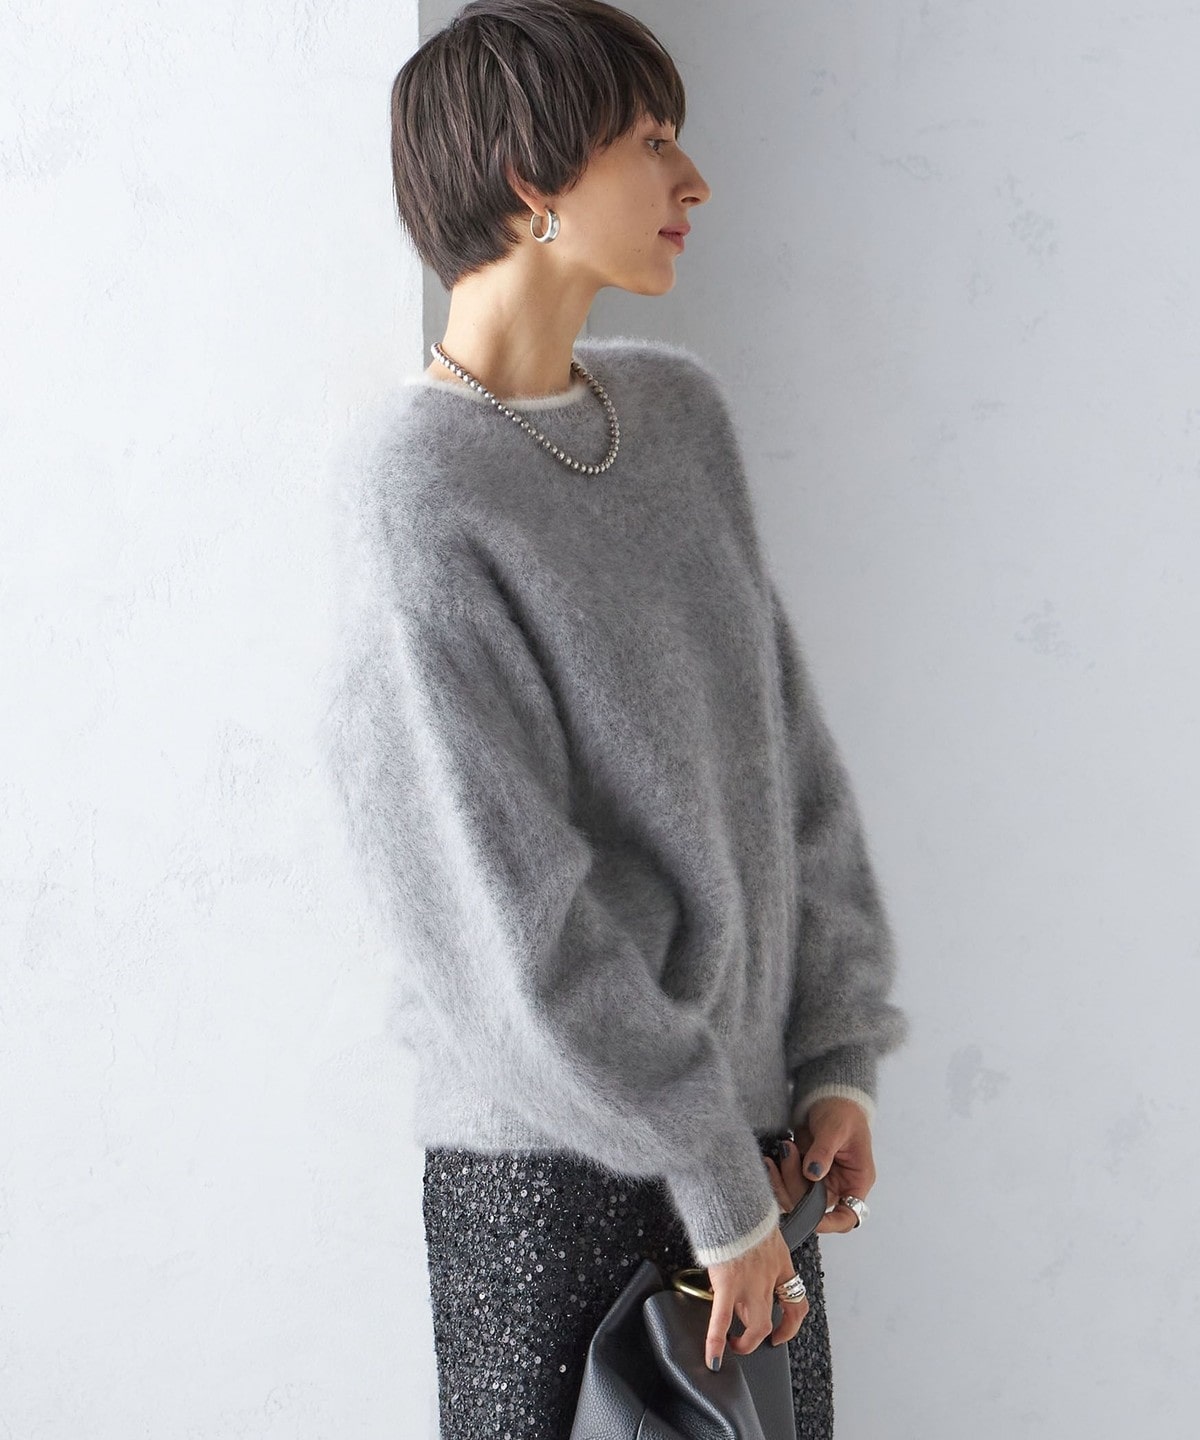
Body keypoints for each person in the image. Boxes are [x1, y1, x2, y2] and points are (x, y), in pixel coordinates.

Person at [320, 1, 909, 1435]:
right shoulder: (417, 481)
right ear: (531, 180)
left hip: (746, 1151)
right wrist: (712, 1180)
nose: (693, 180)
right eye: (652, 142)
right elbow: (504, 909)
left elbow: (788, 763)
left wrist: (832, 1054)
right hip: (557, 1173)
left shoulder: (675, 416)